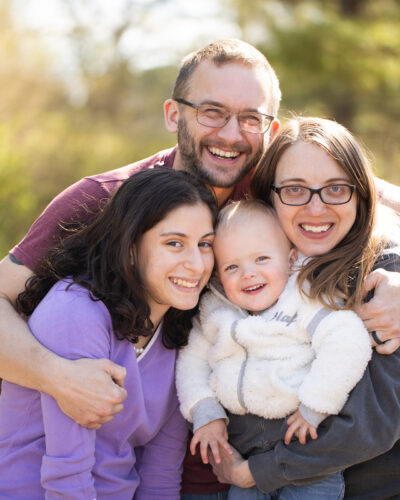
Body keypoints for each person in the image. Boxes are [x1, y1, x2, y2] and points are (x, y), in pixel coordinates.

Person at [0, 38, 398, 498]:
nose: (231, 134)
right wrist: (56, 376)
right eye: (212, 112)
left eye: (251, 118)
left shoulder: (275, 189)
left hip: (267, 460)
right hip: (158, 465)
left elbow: (363, 193)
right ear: (174, 114)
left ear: (269, 129)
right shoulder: (106, 201)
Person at [208, 117, 400, 499]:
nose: (316, 208)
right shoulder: (250, 271)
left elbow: (374, 421)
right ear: (269, 197)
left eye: (336, 189)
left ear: (361, 194)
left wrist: (258, 471)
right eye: (295, 190)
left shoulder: (381, 280)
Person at [0, 167, 218, 499]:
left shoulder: (178, 327)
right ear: (131, 247)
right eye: (174, 243)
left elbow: (160, 473)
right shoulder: (76, 313)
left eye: (205, 244)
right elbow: (66, 478)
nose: (197, 264)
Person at [176, 199, 373, 500]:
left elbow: (348, 342)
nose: (248, 274)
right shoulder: (216, 313)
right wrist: (205, 410)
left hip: (305, 446)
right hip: (245, 455)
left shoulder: (306, 300)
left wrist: (316, 405)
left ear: (291, 258)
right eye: (232, 266)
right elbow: (192, 361)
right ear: (217, 276)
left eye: (262, 259)